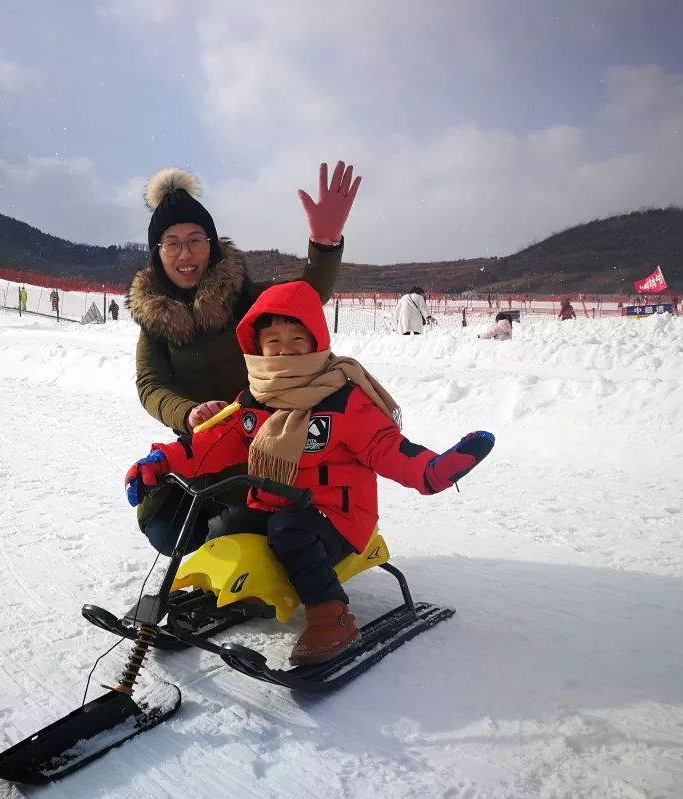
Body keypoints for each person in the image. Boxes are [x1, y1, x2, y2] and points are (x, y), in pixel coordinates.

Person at [124, 281, 493, 663]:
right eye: (273, 340)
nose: (284, 349)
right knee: (224, 525)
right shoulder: (254, 398)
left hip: (336, 516)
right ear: (256, 345)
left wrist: (431, 471)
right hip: (275, 506)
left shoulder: (342, 399)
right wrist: (163, 462)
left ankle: (331, 616)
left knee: (290, 531)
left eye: (297, 338)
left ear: (316, 340)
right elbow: (211, 441)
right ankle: (216, 591)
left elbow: (386, 447)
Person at [127, 161, 360, 554]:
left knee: (254, 535)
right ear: (158, 253)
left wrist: (325, 244)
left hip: (266, 445)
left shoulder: (246, 297)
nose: (186, 253)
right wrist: (187, 413)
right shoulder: (155, 320)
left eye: (196, 239)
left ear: (212, 245)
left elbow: (307, 295)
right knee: (170, 534)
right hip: (205, 448)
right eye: (172, 243)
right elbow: (150, 384)